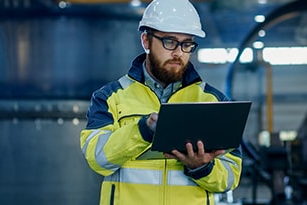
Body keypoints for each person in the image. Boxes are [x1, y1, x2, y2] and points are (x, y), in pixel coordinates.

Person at [79, 0, 242, 204]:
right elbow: (97, 160)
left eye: (187, 44)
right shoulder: (110, 97)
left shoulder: (214, 101)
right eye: (170, 42)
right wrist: (142, 131)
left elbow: (230, 177)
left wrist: (202, 167)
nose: (178, 53)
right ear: (146, 41)